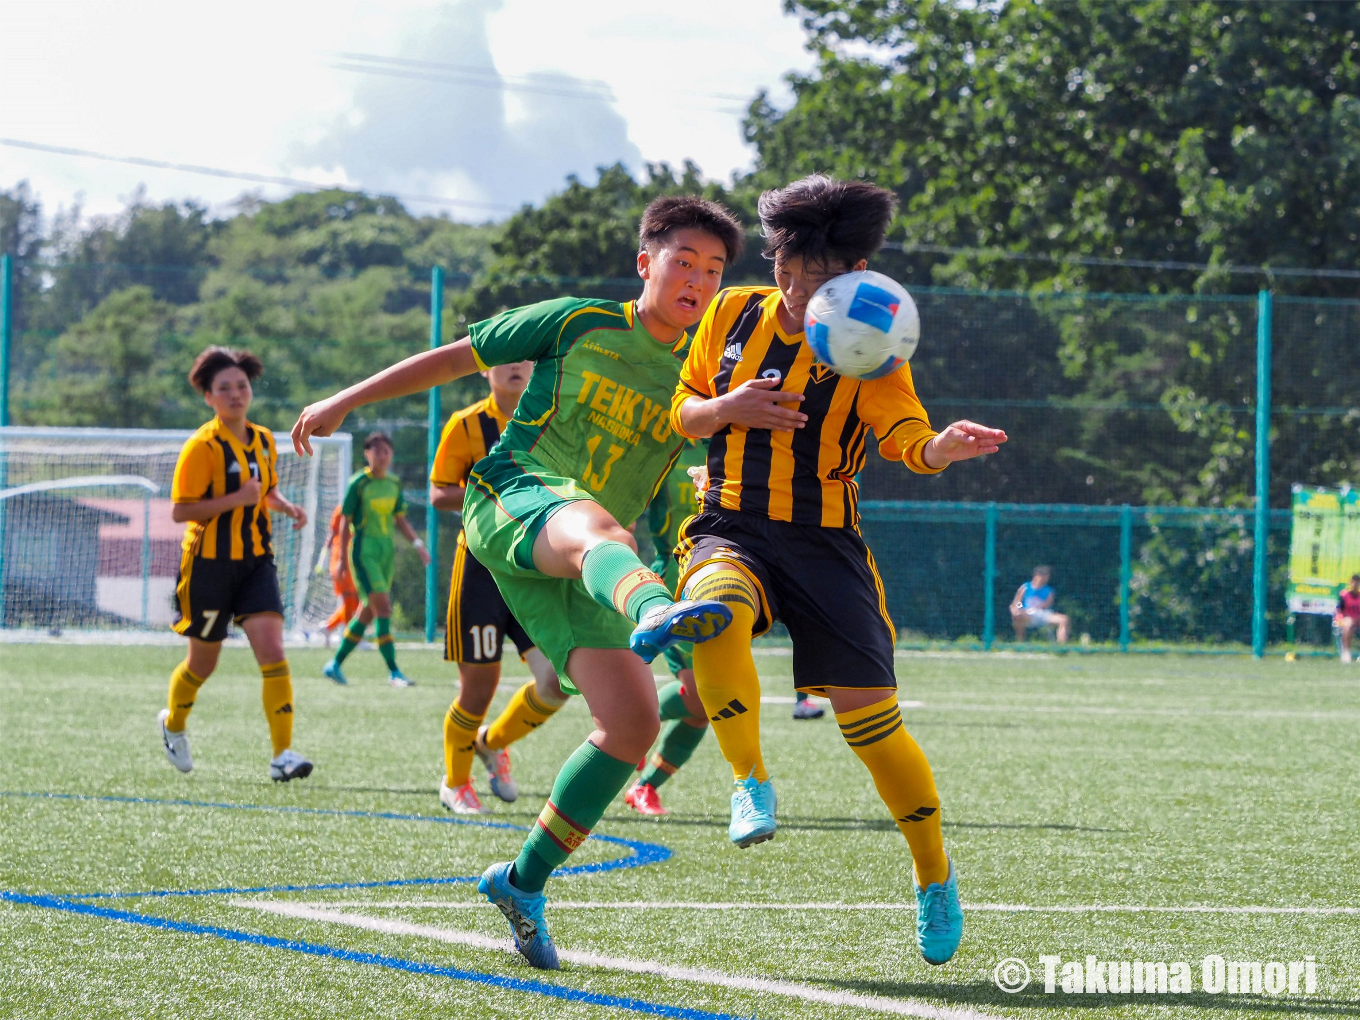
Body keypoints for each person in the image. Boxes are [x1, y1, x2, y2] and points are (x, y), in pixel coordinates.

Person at [291, 195, 745, 969]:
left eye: (714, 270)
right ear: (647, 264)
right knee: (602, 527)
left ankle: (521, 882)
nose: (698, 281)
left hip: (592, 565)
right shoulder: (574, 323)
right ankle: (658, 610)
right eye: (684, 263)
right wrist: (344, 400)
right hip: (517, 497)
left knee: (632, 727)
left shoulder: (705, 373)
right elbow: (453, 356)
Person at [669, 175, 1007, 966]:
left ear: (854, 271)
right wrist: (726, 410)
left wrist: (941, 449)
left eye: (822, 278)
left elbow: (905, 438)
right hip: (728, 523)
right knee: (711, 608)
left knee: (873, 726)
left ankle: (933, 876)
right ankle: (748, 778)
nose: (800, 290)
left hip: (824, 543)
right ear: (776, 259)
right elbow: (683, 408)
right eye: (791, 270)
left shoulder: (873, 336)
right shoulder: (729, 312)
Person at [158, 346, 313, 782]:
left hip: (255, 562)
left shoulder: (264, 439)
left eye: (241, 386)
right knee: (202, 664)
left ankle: (282, 755)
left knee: (273, 652)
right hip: (207, 566)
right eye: (223, 388)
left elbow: (264, 491)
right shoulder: (201, 446)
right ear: (208, 397)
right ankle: (173, 725)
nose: (234, 394)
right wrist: (238, 499)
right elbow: (181, 511)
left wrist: (285, 506)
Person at [429, 360, 570, 814]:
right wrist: (493, 491)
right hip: (479, 568)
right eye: (503, 359)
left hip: (533, 567)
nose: (514, 366)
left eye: (523, 358)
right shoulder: (465, 424)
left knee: (556, 682)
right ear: (484, 371)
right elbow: (438, 494)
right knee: (478, 689)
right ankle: (455, 782)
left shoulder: (551, 418)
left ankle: (491, 743)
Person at [622, 438, 712, 817]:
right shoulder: (661, 451)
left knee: (702, 707)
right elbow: (622, 518)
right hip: (675, 584)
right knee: (699, 695)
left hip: (724, 580)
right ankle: (628, 727)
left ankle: (644, 787)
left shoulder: (735, 445)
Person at [323, 432, 432, 687]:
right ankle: (394, 672)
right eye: (377, 451)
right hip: (364, 550)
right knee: (383, 607)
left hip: (386, 551)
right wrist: (339, 559)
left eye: (386, 451)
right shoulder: (359, 483)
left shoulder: (394, 483)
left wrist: (418, 545)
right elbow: (344, 520)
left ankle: (334, 664)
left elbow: (400, 519)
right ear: (367, 454)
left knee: (367, 613)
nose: (382, 456)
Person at [321, 504, 360, 647]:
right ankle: (352, 637)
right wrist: (324, 554)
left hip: (357, 557)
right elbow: (332, 532)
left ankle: (329, 627)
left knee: (357, 601)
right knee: (350, 599)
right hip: (342, 559)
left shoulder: (365, 505)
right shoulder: (342, 509)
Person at [1010, 565, 1069, 644]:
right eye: (1044, 576)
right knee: (1017, 617)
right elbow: (1018, 602)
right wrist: (1020, 609)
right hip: (1027, 613)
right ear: (1037, 575)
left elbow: (1046, 605)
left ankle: (1061, 645)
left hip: (1042, 614)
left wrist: (1039, 607)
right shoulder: (1025, 588)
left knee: (1064, 620)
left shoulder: (1049, 591)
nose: (1046, 579)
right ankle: (1021, 642)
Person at [1336, 574, 1360, 664]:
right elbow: (1339, 610)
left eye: (1357, 581)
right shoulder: (1344, 595)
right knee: (1348, 624)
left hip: (1358, 620)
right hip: (1346, 619)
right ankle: (1346, 652)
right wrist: (1340, 618)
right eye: (1353, 581)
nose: (1355, 584)